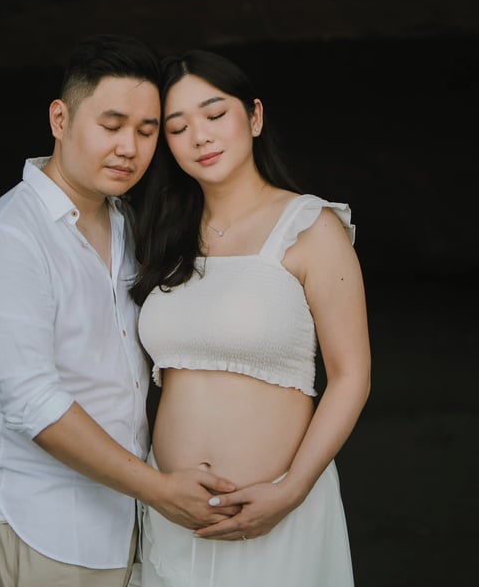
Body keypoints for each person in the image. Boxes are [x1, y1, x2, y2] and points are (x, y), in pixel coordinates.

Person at [0, 35, 240, 587]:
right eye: (111, 126)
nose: (129, 148)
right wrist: (160, 490)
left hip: (127, 527)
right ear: (60, 119)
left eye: (147, 130)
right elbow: (34, 403)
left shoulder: (128, 226)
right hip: (42, 525)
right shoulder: (9, 238)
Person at [129, 48, 371, 586]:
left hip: (277, 515)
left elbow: (351, 376)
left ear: (255, 117)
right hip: (173, 517)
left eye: (215, 115)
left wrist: (291, 491)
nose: (201, 136)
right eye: (178, 126)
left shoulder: (311, 227)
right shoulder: (162, 237)